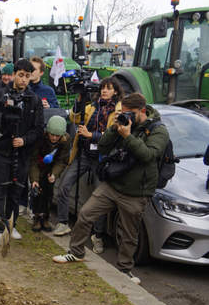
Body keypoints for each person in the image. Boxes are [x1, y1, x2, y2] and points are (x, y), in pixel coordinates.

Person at [53, 92, 170, 283]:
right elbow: (103, 147)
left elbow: (148, 156)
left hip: (136, 192)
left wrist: (128, 136)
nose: (125, 116)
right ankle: (76, 252)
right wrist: (114, 129)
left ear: (142, 111)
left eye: (129, 113)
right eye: (123, 112)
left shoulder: (158, 130)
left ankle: (124, 270)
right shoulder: (122, 125)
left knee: (128, 233)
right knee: (85, 214)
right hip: (113, 184)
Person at [53, 76, 123, 253]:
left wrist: (92, 135)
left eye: (109, 88)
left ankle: (97, 235)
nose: (104, 90)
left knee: (100, 199)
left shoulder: (118, 110)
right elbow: (74, 117)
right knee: (64, 186)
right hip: (84, 155)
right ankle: (63, 222)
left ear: (115, 91)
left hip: (102, 158)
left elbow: (114, 134)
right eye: (103, 87)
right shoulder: (92, 106)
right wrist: (79, 99)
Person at [0, 58, 44, 244]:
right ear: (14, 74)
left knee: (16, 191)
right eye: (21, 75)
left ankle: (11, 224)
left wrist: (24, 140)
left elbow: (38, 128)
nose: (23, 79)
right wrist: (4, 118)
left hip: (21, 154)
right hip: (0, 150)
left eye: (27, 76)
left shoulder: (34, 100)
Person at [29, 115, 70, 231]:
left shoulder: (66, 140)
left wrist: (54, 174)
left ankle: (46, 217)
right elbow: (33, 160)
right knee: (37, 192)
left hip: (52, 166)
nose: (54, 138)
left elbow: (62, 160)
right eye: (52, 134)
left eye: (57, 136)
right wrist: (34, 179)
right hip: (38, 164)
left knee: (49, 193)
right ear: (47, 132)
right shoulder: (40, 137)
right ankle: (37, 217)